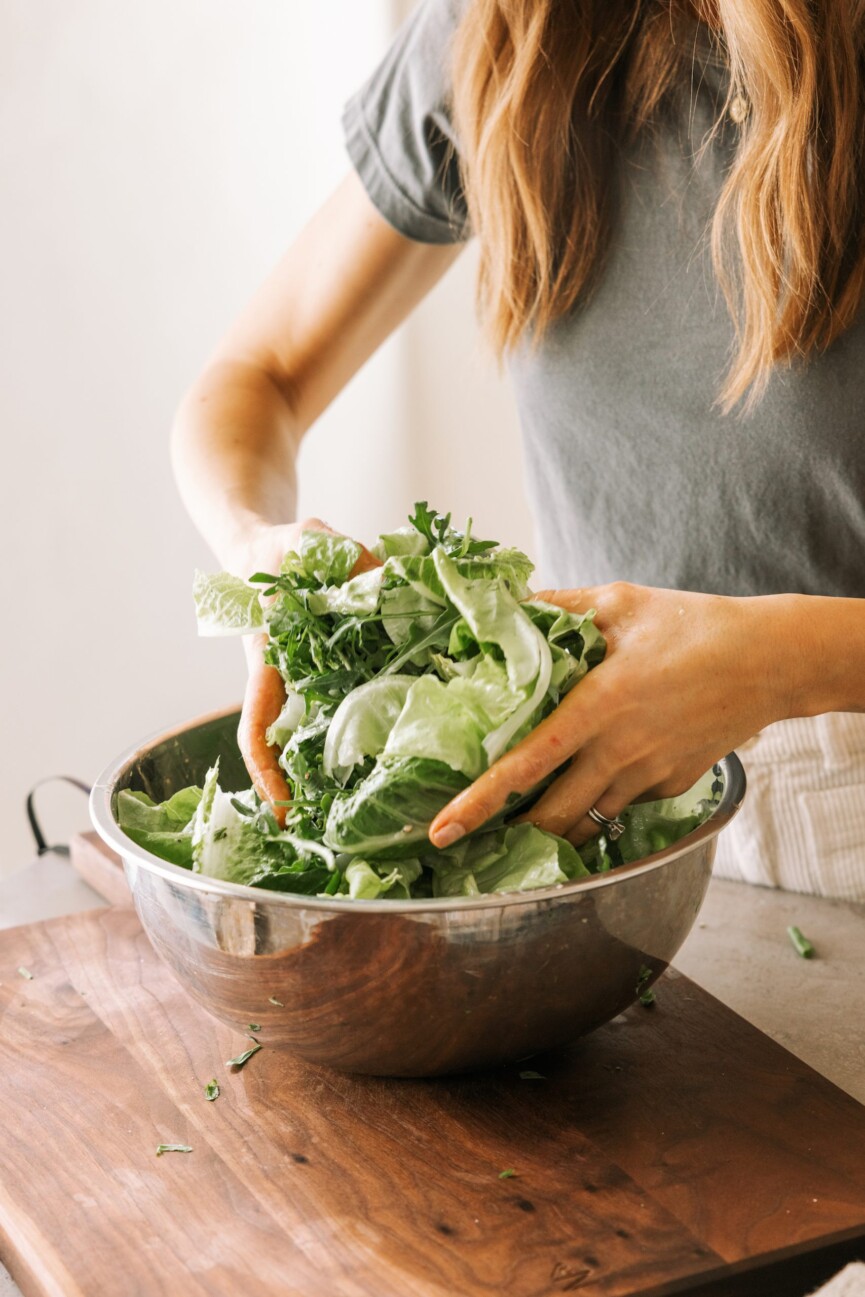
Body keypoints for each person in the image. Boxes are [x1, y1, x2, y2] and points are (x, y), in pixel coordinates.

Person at [171, 0, 865, 901]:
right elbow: (256, 376)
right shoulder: (506, 26)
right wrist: (263, 555)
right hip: (605, 846)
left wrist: (775, 659)